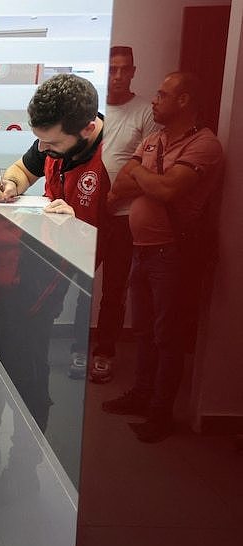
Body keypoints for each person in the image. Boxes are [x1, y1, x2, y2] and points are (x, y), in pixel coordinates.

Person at [102, 72, 224, 443]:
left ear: (184, 100)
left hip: (173, 254)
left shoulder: (205, 145)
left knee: (166, 335)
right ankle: (141, 394)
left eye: (162, 94)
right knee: (142, 330)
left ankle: (160, 411)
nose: (154, 100)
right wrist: (144, 176)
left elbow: (169, 190)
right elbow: (118, 188)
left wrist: (141, 173)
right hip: (142, 250)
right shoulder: (154, 139)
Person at [0, 73, 110, 380]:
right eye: (39, 139)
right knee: (29, 344)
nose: (43, 148)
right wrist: (10, 185)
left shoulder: (115, 156)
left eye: (52, 142)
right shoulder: (49, 143)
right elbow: (23, 170)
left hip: (89, 270)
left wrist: (78, 224)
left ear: (88, 129)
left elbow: (125, 234)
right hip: (48, 263)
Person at [93, 45, 158, 383]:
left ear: (133, 71)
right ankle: (77, 347)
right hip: (88, 214)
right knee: (78, 283)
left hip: (122, 217)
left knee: (114, 290)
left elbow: (149, 168)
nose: (117, 76)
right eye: (111, 68)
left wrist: (115, 195)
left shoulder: (145, 112)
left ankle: (104, 353)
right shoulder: (93, 110)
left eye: (124, 69)